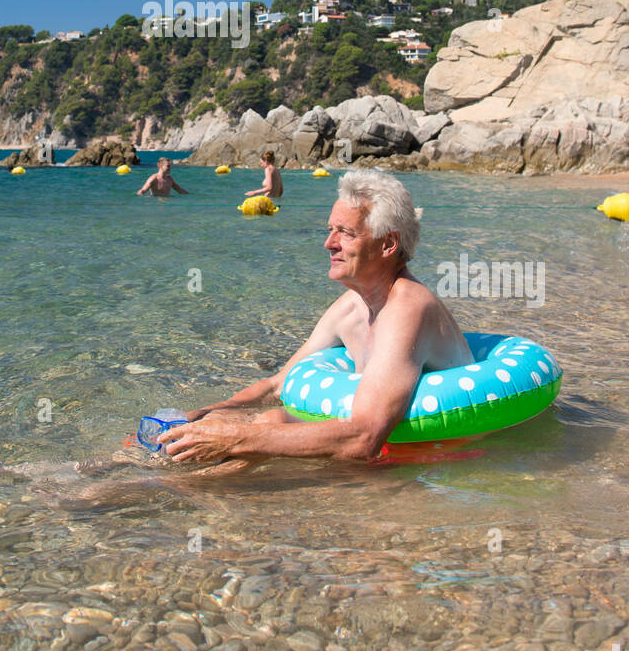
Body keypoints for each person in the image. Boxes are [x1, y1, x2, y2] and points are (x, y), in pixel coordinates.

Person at [160, 170, 472, 465]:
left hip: (426, 461)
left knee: (258, 431)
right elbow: (277, 386)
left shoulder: (408, 308)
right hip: (374, 451)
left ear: (388, 244)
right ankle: (146, 483)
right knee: (249, 422)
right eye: (330, 230)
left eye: (346, 233)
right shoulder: (352, 307)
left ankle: (154, 495)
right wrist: (202, 415)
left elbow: (364, 437)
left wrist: (235, 438)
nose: (329, 243)